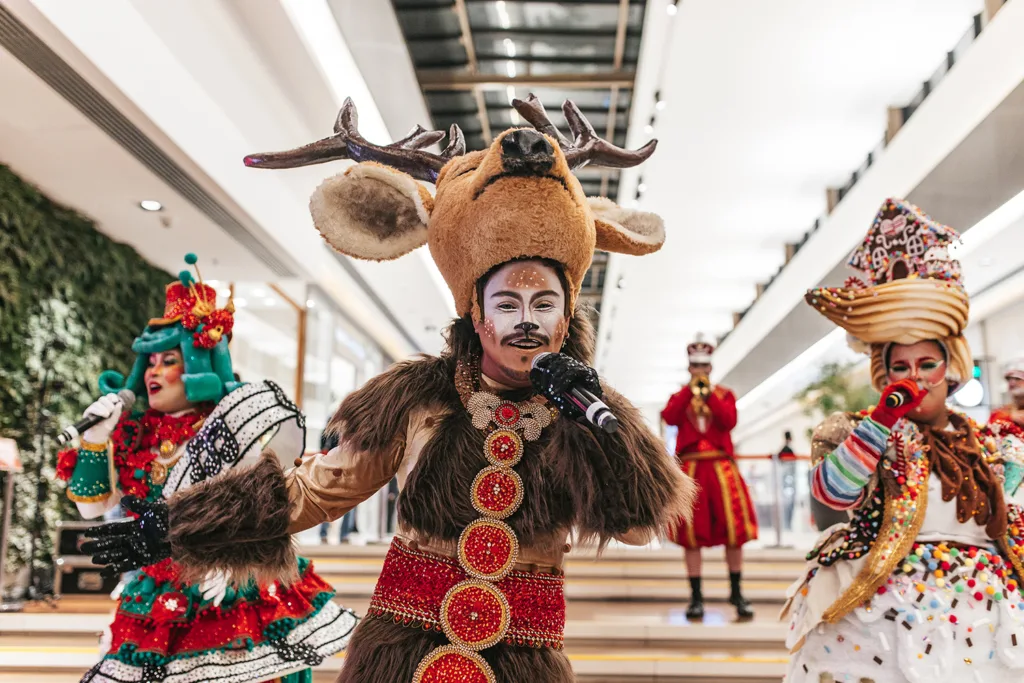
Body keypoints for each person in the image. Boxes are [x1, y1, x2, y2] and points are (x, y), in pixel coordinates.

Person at [83, 96, 695, 683]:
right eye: (507, 304)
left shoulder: (589, 409)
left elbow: (639, 527)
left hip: (525, 659)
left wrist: (597, 423)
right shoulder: (415, 397)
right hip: (401, 655)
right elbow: (316, 489)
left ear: (565, 317)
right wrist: (182, 523)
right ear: (477, 314)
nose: (526, 321)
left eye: (544, 304)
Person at [59, 255, 355, 683]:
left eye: (168, 360)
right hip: (156, 591)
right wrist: (95, 439)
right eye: (150, 362)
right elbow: (91, 509)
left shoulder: (234, 429)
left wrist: (229, 561)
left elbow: (260, 515)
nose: (154, 372)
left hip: (232, 586)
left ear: (196, 365)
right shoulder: (133, 435)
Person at [784, 198, 1024, 682]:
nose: (914, 377)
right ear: (884, 373)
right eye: (900, 366)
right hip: (879, 610)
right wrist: (881, 422)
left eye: (927, 364)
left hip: (986, 613)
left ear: (950, 367)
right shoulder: (855, 430)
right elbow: (831, 494)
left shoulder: (998, 443)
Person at [662, 336, 758, 620]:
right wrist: (688, 392)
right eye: (695, 366)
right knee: (691, 535)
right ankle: (696, 598)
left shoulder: (724, 395)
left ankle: (737, 593)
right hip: (691, 470)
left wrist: (709, 395)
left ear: (711, 367)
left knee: (734, 531)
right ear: (689, 367)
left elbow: (728, 421)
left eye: (704, 366)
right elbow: (670, 417)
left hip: (721, 468)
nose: (700, 370)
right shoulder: (680, 396)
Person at [991, 356, 1024, 429]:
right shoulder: (1000, 412)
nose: (1012, 383)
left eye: (1017, 378)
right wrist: (1010, 417)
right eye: (1009, 379)